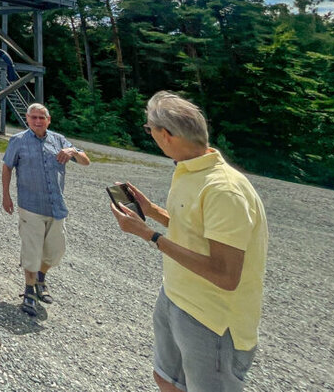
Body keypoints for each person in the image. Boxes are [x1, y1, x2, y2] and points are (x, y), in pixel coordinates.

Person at [111, 92, 268, 392]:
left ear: (166, 135)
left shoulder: (224, 190)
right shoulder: (189, 167)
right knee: (165, 378)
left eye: (149, 130)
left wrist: (149, 235)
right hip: (174, 297)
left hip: (213, 321)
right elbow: (197, 231)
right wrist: (151, 211)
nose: (150, 136)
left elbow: (225, 274)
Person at [1, 102, 89, 316]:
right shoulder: (18, 141)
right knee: (32, 251)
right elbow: (7, 166)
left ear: (48, 120)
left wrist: (73, 151)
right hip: (30, 206)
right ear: (27, 119)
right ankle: (29, 291)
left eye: (42, 117)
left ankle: (41, 278)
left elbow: (86, 161)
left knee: (54, 252)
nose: (38, 121)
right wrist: (6, 195)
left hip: (56, 207)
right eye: (34, 117)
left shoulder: (59, 140)